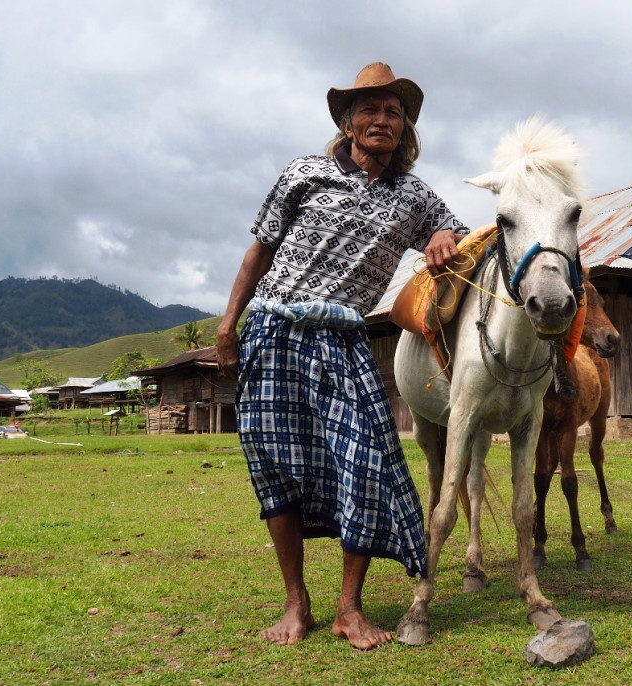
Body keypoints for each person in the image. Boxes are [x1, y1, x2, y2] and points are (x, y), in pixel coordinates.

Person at [216, 62, 467, 650]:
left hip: (344, 340)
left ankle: (349, 609)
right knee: (276, 464)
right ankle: (295, 602)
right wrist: (230, 325)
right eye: (370, 110)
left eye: (394, 112)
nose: (383, 119)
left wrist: (442, 238)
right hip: (273, 329)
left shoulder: (413, 195)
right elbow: (258, 253)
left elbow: (458, 233)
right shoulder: (303, 174)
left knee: (364, 462)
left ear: (406, 128)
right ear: (347, 120)